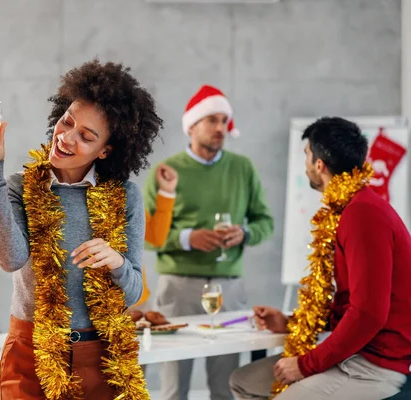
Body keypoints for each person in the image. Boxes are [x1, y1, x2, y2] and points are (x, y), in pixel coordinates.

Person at [0, 59, 163, 400]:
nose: (66, 138)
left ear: (105, 151)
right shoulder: (20, 186)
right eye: (67, 121)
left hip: (102, 354)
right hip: (32, 349)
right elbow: (11, 259)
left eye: (86, 136)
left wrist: (116, 261)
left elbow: (132, 293)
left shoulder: (125, 197)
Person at [229, 117, 411, 399]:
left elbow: (368, 314)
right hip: (353, 355)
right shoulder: (350, 208)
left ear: (319, 165)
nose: (305, 163)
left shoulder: (363, 214)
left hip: (373, 366)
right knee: (244, 381)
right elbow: (350, 304)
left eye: (306, 155)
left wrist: (305, 365)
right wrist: (291, 322)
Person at [144, 84, 274, 400]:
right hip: (178, 289)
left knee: (225, 387)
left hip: (228, 290)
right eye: (212, 120)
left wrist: (244, 234)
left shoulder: (243, 169)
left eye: (224, 121)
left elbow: (265, 222)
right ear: (192, 125)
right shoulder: (167, 171)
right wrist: (189, 239)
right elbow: (147, 235)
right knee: (175, 388)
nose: (221, 128)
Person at [131, 163, 179, 312]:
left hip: (137, 304)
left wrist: (166, 192)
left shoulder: (125, 194)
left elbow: (156, 237)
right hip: (88, 309)